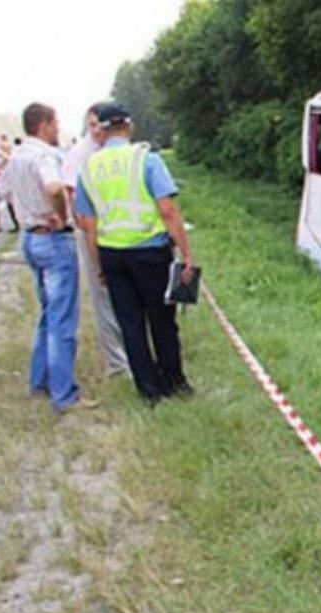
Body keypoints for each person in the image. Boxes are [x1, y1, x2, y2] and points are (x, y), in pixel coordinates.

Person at [75, 104, 197, 406]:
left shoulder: (88, 169)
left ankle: (149, 391)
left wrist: (97, 262)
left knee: (130, 324)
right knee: (162, 320)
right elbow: (167, 210)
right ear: (128, 125)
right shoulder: (146, 159)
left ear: (101, 130)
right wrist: (187, 254)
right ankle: (173, 381)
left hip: (113, 254)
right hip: (150, 252)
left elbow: (87, 223)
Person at [0, 103, 96, 412]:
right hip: (53, 239)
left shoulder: (16, 158)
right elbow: (54, 187)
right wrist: (61, 214)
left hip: (30, 237)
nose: (58, 128)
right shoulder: (45, 156)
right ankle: (64, 394)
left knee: (47, 314)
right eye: (55, 123)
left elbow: (5, 191)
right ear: (43, 125)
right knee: (62, 319)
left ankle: (39, 380)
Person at [62, 103, 129, 377]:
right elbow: (70, 192)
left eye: (99, 125)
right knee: (103, 297)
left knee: (124, 295)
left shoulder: (118, 150)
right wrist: (89, 234)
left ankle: (132, 350)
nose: (96, 130)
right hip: (93, 233)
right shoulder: (81, 154)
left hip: (121, 233)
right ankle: (117, 363)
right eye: (91, 125)